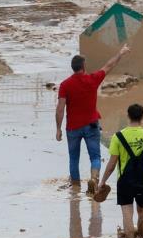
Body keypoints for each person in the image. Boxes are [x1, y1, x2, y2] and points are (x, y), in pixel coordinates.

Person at [55, 44, 132, 193]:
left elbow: (60, 109)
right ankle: (94, 180)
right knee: (95, 156)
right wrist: (120, 53)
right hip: (91, 125)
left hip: (73, 128)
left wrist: (58, 129)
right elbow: (109, 66)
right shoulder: (92, 79)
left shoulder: (65, 85)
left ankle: (76, 187)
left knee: (73, 158)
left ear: (73, 67)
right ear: (83, 66)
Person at [98, 104, 143, 238]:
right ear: (142, 117)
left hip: (124, 181)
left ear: (128, 116)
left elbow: (112, 164)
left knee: (127, 215)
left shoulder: (118, 137)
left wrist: (103, 181)